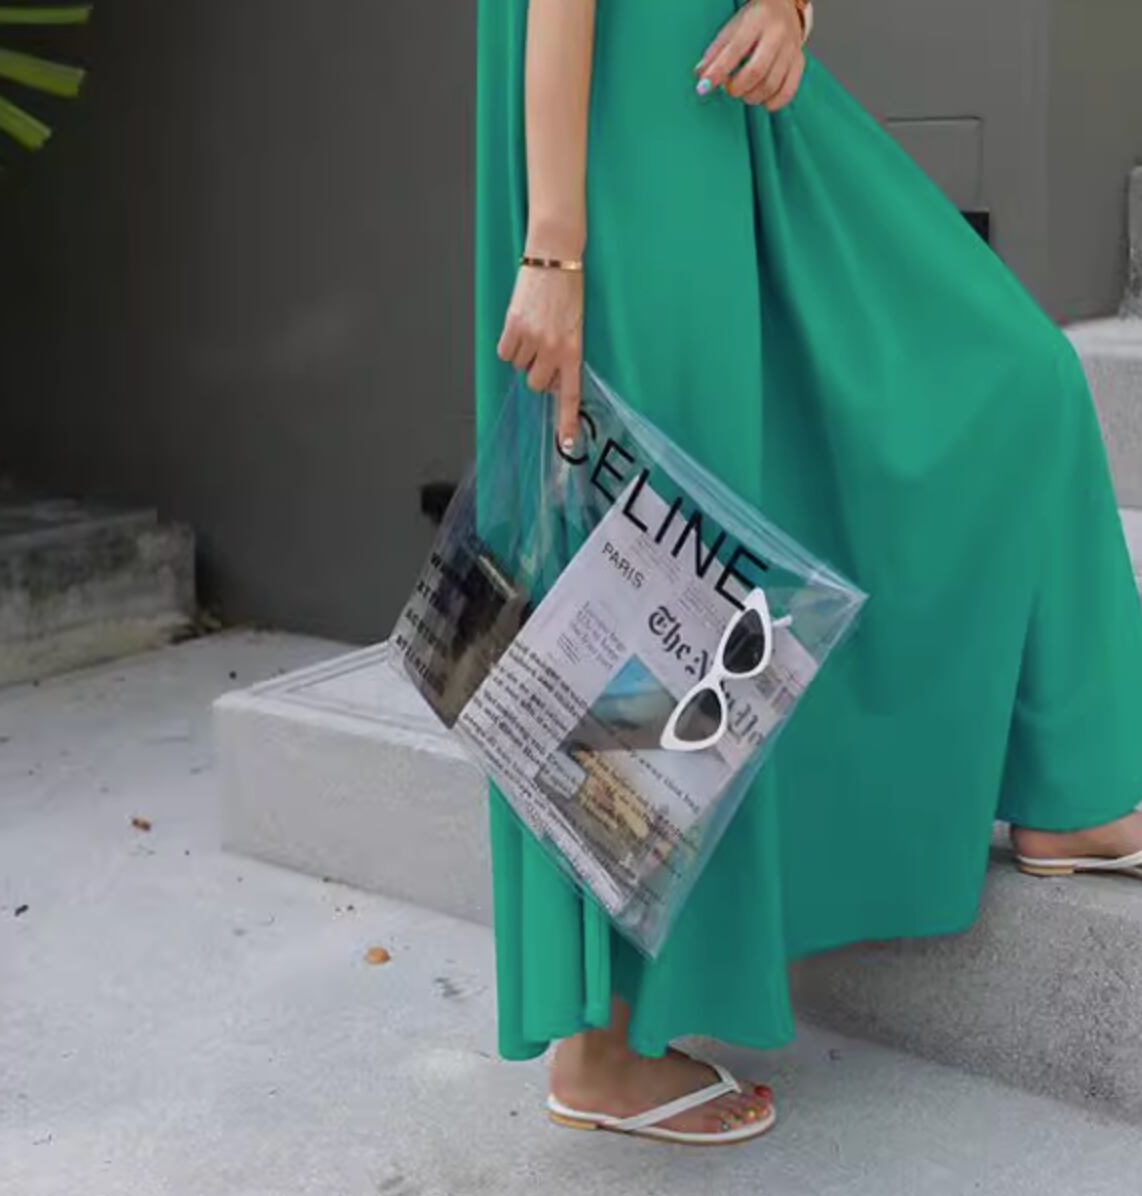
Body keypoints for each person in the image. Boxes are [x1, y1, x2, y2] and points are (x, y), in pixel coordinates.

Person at [475, 0, 1142, 1145]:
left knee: (1020, 372)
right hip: (614, 119)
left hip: (726, 86)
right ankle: (602, 1040)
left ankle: (1072, 787)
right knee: (649, 539)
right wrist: (552, 244)